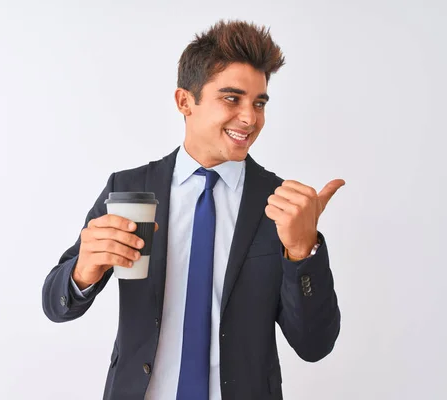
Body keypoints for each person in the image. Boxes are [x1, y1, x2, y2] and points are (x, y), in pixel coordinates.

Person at [42, 19, 343, 400]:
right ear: (185, 101)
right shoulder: (130, 189)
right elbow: (56, 305)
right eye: (232, 99)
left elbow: (315, 345)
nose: (250, 118)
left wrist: (303, 253)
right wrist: (83, 272)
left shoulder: (281, 204)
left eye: (259, 103)